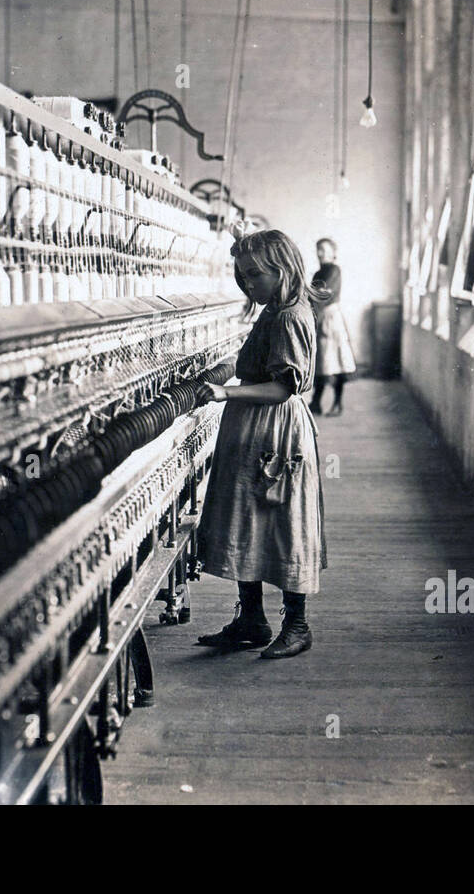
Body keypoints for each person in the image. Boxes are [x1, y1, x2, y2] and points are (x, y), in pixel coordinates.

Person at [194, 229, 328, 659]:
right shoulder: (276, 310)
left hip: (275, 430)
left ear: (283, 269)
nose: (248, 283)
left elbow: (282, 388)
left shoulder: (288, 316)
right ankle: (251, 619)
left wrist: (224, 392)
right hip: (255, 430)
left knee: (284, 523)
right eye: (242, 275)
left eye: (255, 275)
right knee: (246, 520)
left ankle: (298, 624)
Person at [308, 237, 357, 417]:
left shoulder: (334, 270)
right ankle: (316, 402)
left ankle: (337, 403)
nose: (320, 253)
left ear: (333, 252)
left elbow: (323, 294)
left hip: (330, 319)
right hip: (320, 318)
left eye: (324, 249)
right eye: (318, 249)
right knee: (322, 361)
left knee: (336, 361)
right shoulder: (317, 273)